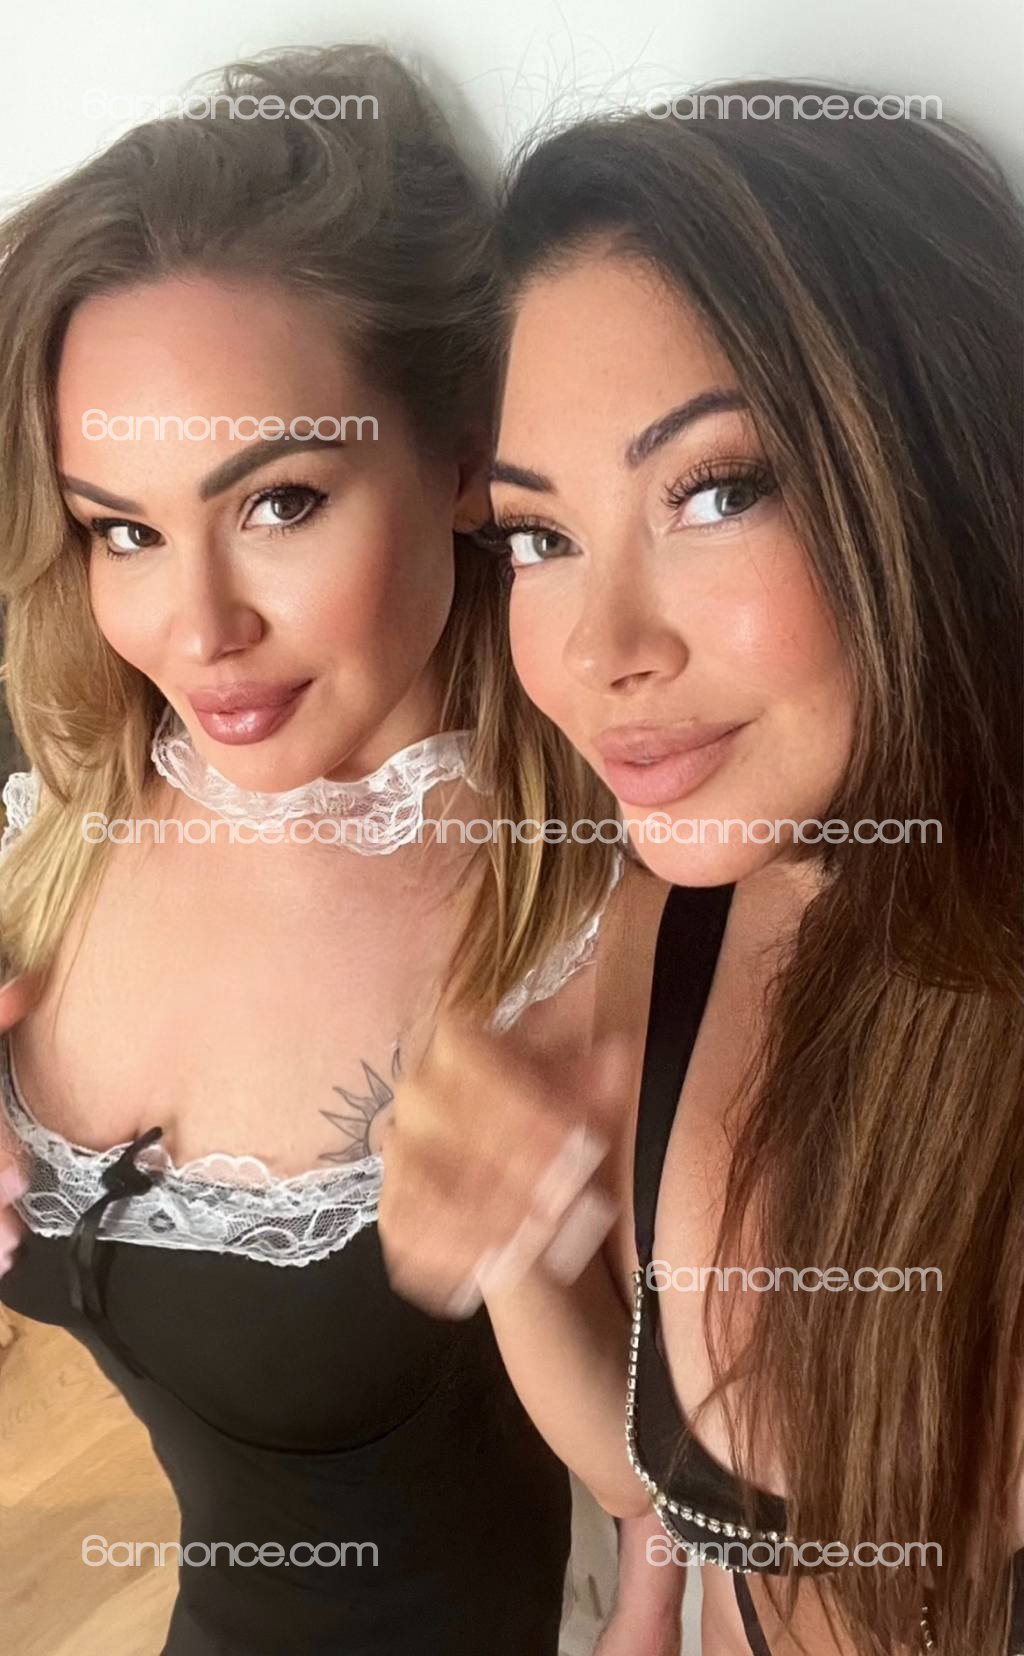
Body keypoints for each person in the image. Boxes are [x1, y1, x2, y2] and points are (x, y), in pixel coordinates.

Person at [0, 43, 678, 1655]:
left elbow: (670, 1494)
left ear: (458, 459)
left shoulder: (587, 912)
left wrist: (523, 1246)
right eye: (124, 529)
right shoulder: (46, 826)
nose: (198, 627)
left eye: (282, 503)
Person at [379, 81, 1024, 1654]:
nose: (602, 652)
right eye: (539, 538)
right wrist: (513, 1246)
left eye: (717, 492)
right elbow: (653, 1480)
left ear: (938, 463)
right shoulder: (667, 932)